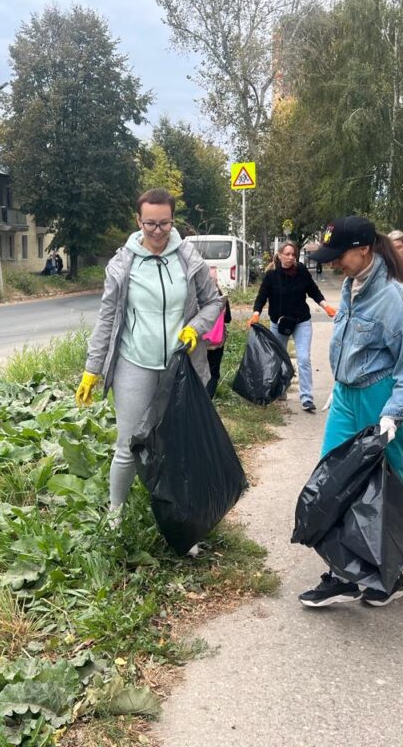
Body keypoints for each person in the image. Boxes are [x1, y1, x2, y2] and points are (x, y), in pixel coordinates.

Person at [74, 188, 222, 550]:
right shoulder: (122, 264)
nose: (158, 231)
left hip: (179, 366)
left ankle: (181, 523)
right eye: (151, 223)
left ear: (174, 220)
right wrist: (92, 370)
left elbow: (215, 302)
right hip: (134, 364)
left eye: (166, 223)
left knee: (177, 447)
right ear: (138, 221)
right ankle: (116, 514)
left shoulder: (188, 258)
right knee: (128, 444)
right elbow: (107, 320)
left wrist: (196, 328)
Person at [299, 216, 403, 608]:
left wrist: (393, 413)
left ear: (364, 250)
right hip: (348, 396)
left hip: (379, 398)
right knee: (333, 481)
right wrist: (339, 388)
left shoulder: (393, 297)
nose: (335, 263)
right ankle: (343, 574)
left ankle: (390, 574)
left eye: (340, 256)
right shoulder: (352, 287)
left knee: (384, 486)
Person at [247, 241, 336, 413]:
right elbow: (261, 297)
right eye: (287, 254)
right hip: (278, 322)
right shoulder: (271, 275)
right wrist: (256, 314)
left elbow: (313, 290)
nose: (290, 257)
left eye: (293, 254)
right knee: (278, 359)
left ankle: (307, 398)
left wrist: (326, 306)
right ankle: (280, 389)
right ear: (279, 255)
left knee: (303, 358)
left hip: (301, 321)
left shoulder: (301, 271)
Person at [204, 265, 232, 398]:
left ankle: (198, 397)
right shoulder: (221, 296)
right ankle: (208, 400)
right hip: (217, 340)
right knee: (213, 372)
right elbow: (228, 319)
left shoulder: (197, 295)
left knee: (199, 370)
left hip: (199, 339)